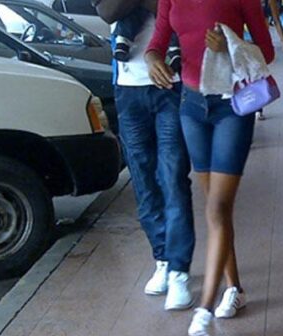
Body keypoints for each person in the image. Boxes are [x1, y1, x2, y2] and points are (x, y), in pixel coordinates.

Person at [145, 0, 275, 336]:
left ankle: (203, 308)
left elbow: (267, 51)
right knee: (216, 208)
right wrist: (152, 58)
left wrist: (232, 48)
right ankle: (234, 288)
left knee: (218, 208)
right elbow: (158, 40)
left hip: (232, 105)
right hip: (191, 106)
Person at [95, 0, 195, 312]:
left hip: (171, 84)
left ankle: (179, 270)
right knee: (143, 179)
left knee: (173, 176)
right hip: (128, 88)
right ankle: (162, 258)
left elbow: (178, 9)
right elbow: (106, 11)